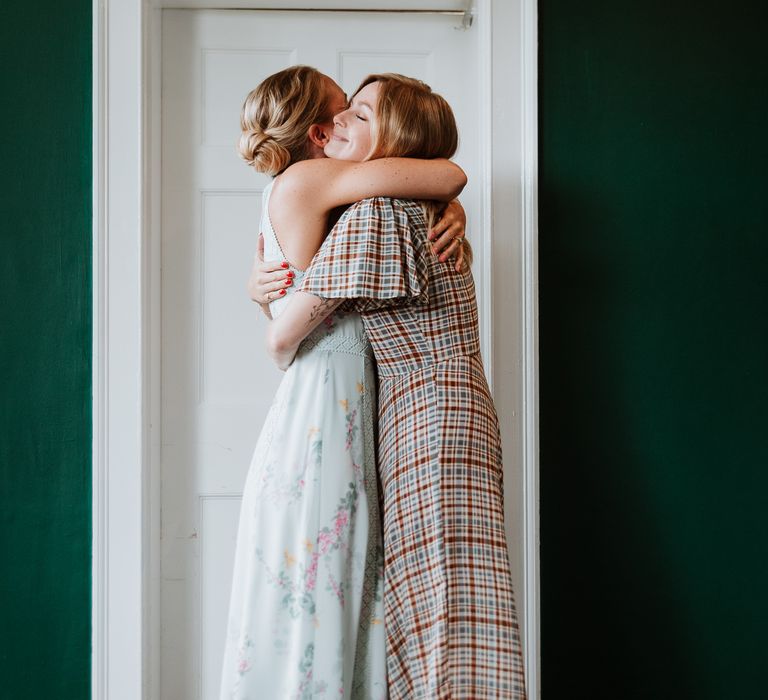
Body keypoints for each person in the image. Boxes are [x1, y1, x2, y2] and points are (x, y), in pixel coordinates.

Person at [260, 74, 527, 699]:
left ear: (398, 139)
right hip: (430, 411)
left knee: (446, 605)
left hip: (431, 416)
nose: (339, 125)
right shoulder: (403, 211)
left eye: (360, 114)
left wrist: (267, 295)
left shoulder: (376, 215)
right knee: (438, 602)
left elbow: (283, 338)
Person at [219, 65, 469, 700]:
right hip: (327, 397)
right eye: (339, 113)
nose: (345, 123)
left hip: (333, 387)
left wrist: (450, 214)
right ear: (313, 132)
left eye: (358, 115)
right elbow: (445, 171)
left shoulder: (325, 193)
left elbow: (286, 304)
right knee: (330, 555)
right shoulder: (314, 178)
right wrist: (451, 196)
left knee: (338, 561)